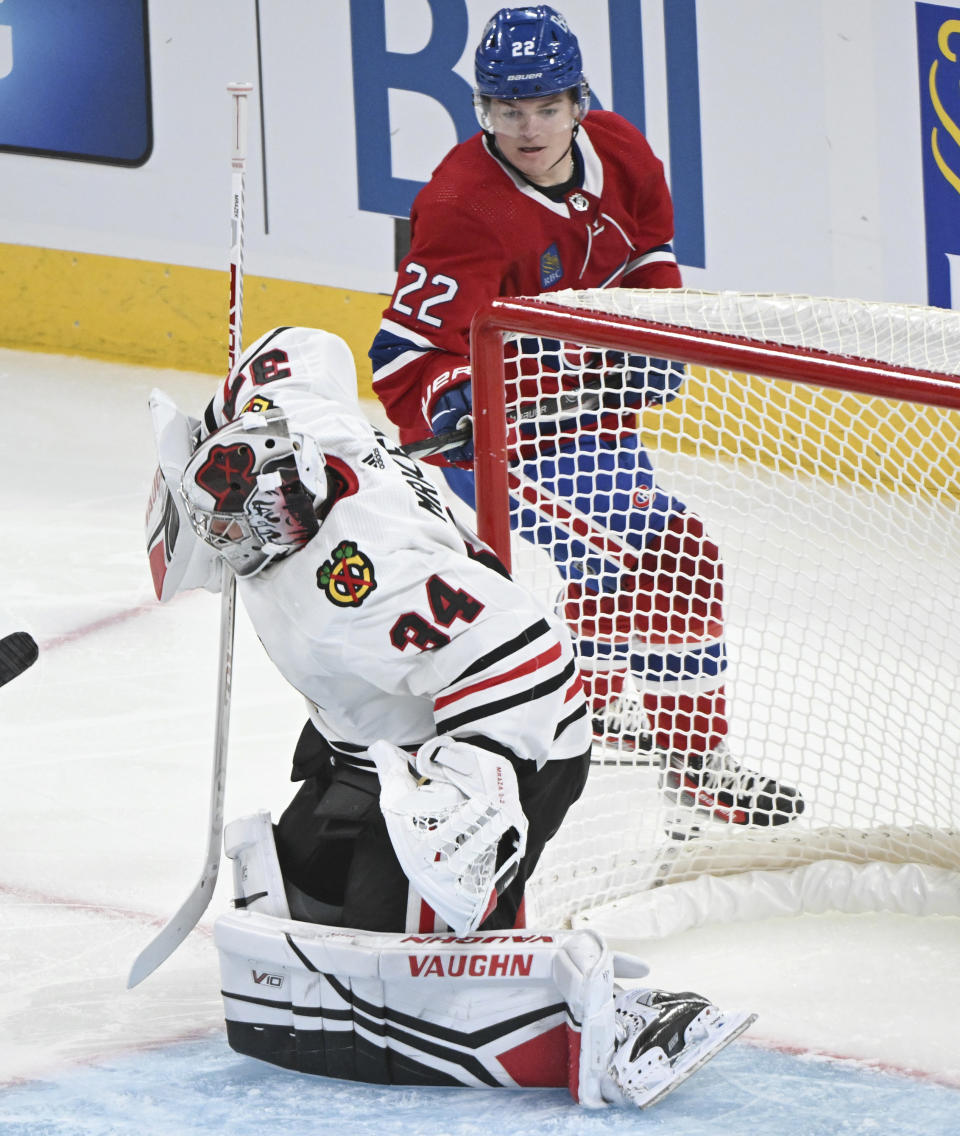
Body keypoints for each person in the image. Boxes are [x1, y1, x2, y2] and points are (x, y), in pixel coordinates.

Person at [156, 322, 755, 1108]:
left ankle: (615, 1026)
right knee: (300, 917)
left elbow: (531, 662)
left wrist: (463, 808)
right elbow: (302, 344)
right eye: (224, 533)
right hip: (372, 732)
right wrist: (218, 418)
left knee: (407, 982)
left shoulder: (363, 584)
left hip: (499, 741)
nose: (238, 552)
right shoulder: (298, 419)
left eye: (255, 536)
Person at [369, 4, 803, 827]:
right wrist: (462, 400)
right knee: (673, 553)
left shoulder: (623, 149)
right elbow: (401, 357)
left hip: (592, 412)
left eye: (545, 106)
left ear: (578, 101)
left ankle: (596, 707)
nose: (527, 128)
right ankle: (698, 764)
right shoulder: (463, 205)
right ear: (482, 109)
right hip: (500, 441)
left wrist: (657, 333)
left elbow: (647, 252)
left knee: (610, 560)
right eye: (506, 108)